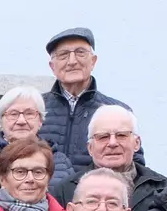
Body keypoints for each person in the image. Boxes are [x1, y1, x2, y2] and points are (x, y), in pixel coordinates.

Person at [38, 27, 134, 172]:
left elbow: (133, 165)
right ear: (52, 66)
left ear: (93, 61)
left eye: (80, 53)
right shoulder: (34, 109)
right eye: (63, 55)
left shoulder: (117, 111)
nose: (72, 61)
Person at [52, 105, 166, 211]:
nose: (112, 143)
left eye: (121, 135)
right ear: (90, 148)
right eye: (103, 137)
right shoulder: (65, 190)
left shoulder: (162, 189)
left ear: (137, 143)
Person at [0, 86, 74, 211]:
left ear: (41, 121)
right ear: (0, 122)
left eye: (29, 113)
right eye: (13, 114)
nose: (21, 121)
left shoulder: (60, 161)